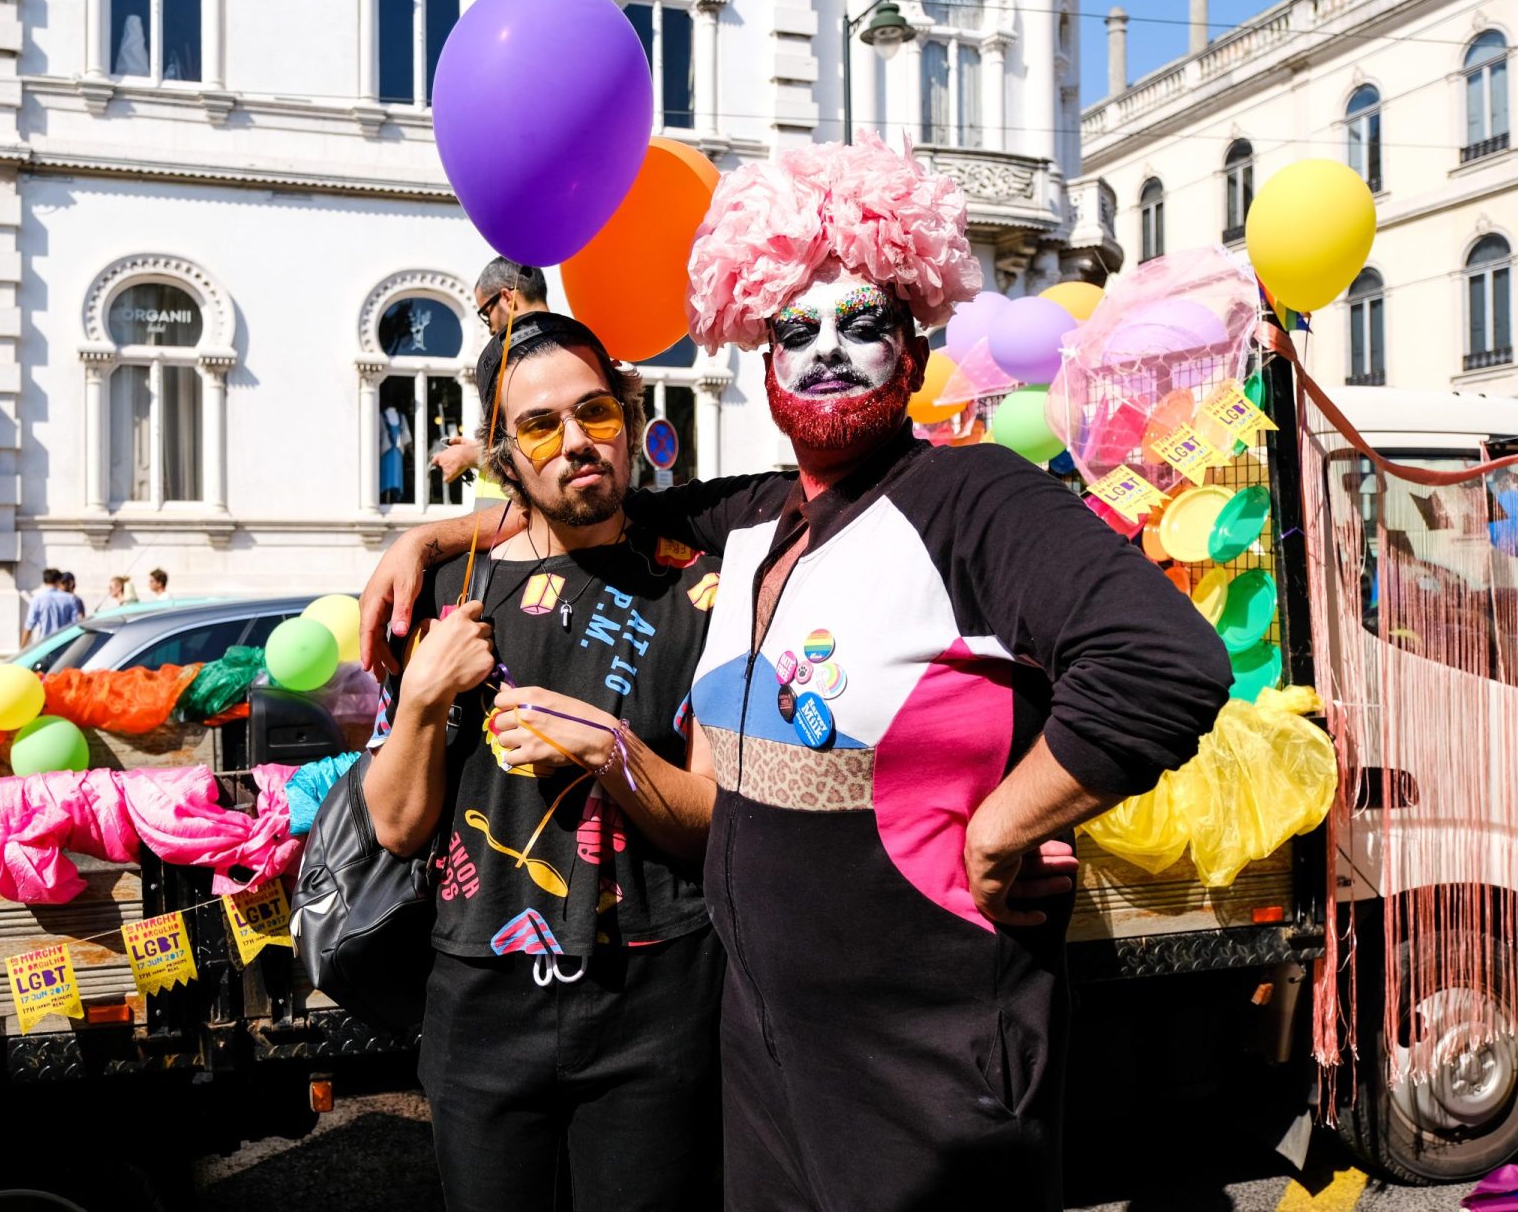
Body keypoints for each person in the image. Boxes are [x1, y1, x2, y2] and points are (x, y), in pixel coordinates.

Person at [362, 134, 1232, 1210]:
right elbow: (587, 498)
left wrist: (1006, 825)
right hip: (761, 1058)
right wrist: (437, 536)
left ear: (911, 353)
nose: (825, 351)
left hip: (924, 1059)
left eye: (861, 323)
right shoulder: (758, 520)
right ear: (763, 362)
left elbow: (1161, 663)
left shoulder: (971, 498)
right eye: (794, 330)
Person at [365, 311, 724, 1212]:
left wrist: (612, 753)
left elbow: (713, 822)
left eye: (596, 413)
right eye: (539, 425)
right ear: (503, 451)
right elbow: (398, 827)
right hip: (481, 1003)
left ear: (630, 418)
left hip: (655, 997)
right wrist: (421, 698)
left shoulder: (701, 587)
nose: (576, 443)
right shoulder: (448, 592)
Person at [430, 259, 553, 489]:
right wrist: (480, 450)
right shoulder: (564, 350)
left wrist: (473, 456)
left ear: (507, 298)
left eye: (487, 313)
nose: (490, 328)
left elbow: (543, 448)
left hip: (520, 520)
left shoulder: (531, 358)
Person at [21, 568, 81, 647]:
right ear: (59, 580)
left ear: (45, 581)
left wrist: (22, 647)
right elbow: (76, 623)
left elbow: (29, 625)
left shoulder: (37, 599)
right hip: (65, 644)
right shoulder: (70, 599)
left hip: (45, 645)